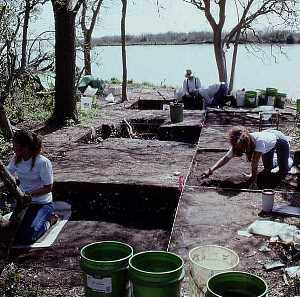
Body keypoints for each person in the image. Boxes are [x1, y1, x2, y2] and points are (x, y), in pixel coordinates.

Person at [6, 130, 58, 244]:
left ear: (25, 147)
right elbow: (7, 174)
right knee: (11, 233)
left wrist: (29, 194)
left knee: (28, 236)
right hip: (24, 203)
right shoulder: (16, 159)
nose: (13, 148)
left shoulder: (43, 162)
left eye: (15, 145)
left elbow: (48, 188)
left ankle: (50, 220)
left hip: (42, 203)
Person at [202, 126, 290, 188]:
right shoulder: (239, 142)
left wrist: (253, 182)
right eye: (236, 146)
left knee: (283, 170)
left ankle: (289, 160)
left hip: (280, 141)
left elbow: (254, 164)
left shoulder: (259, 143)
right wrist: (210, 170)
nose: (237, 149)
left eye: (239, 147)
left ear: (246, 144)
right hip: (268, 142)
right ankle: (276, 160)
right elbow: (225, 158)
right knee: (268, 168)